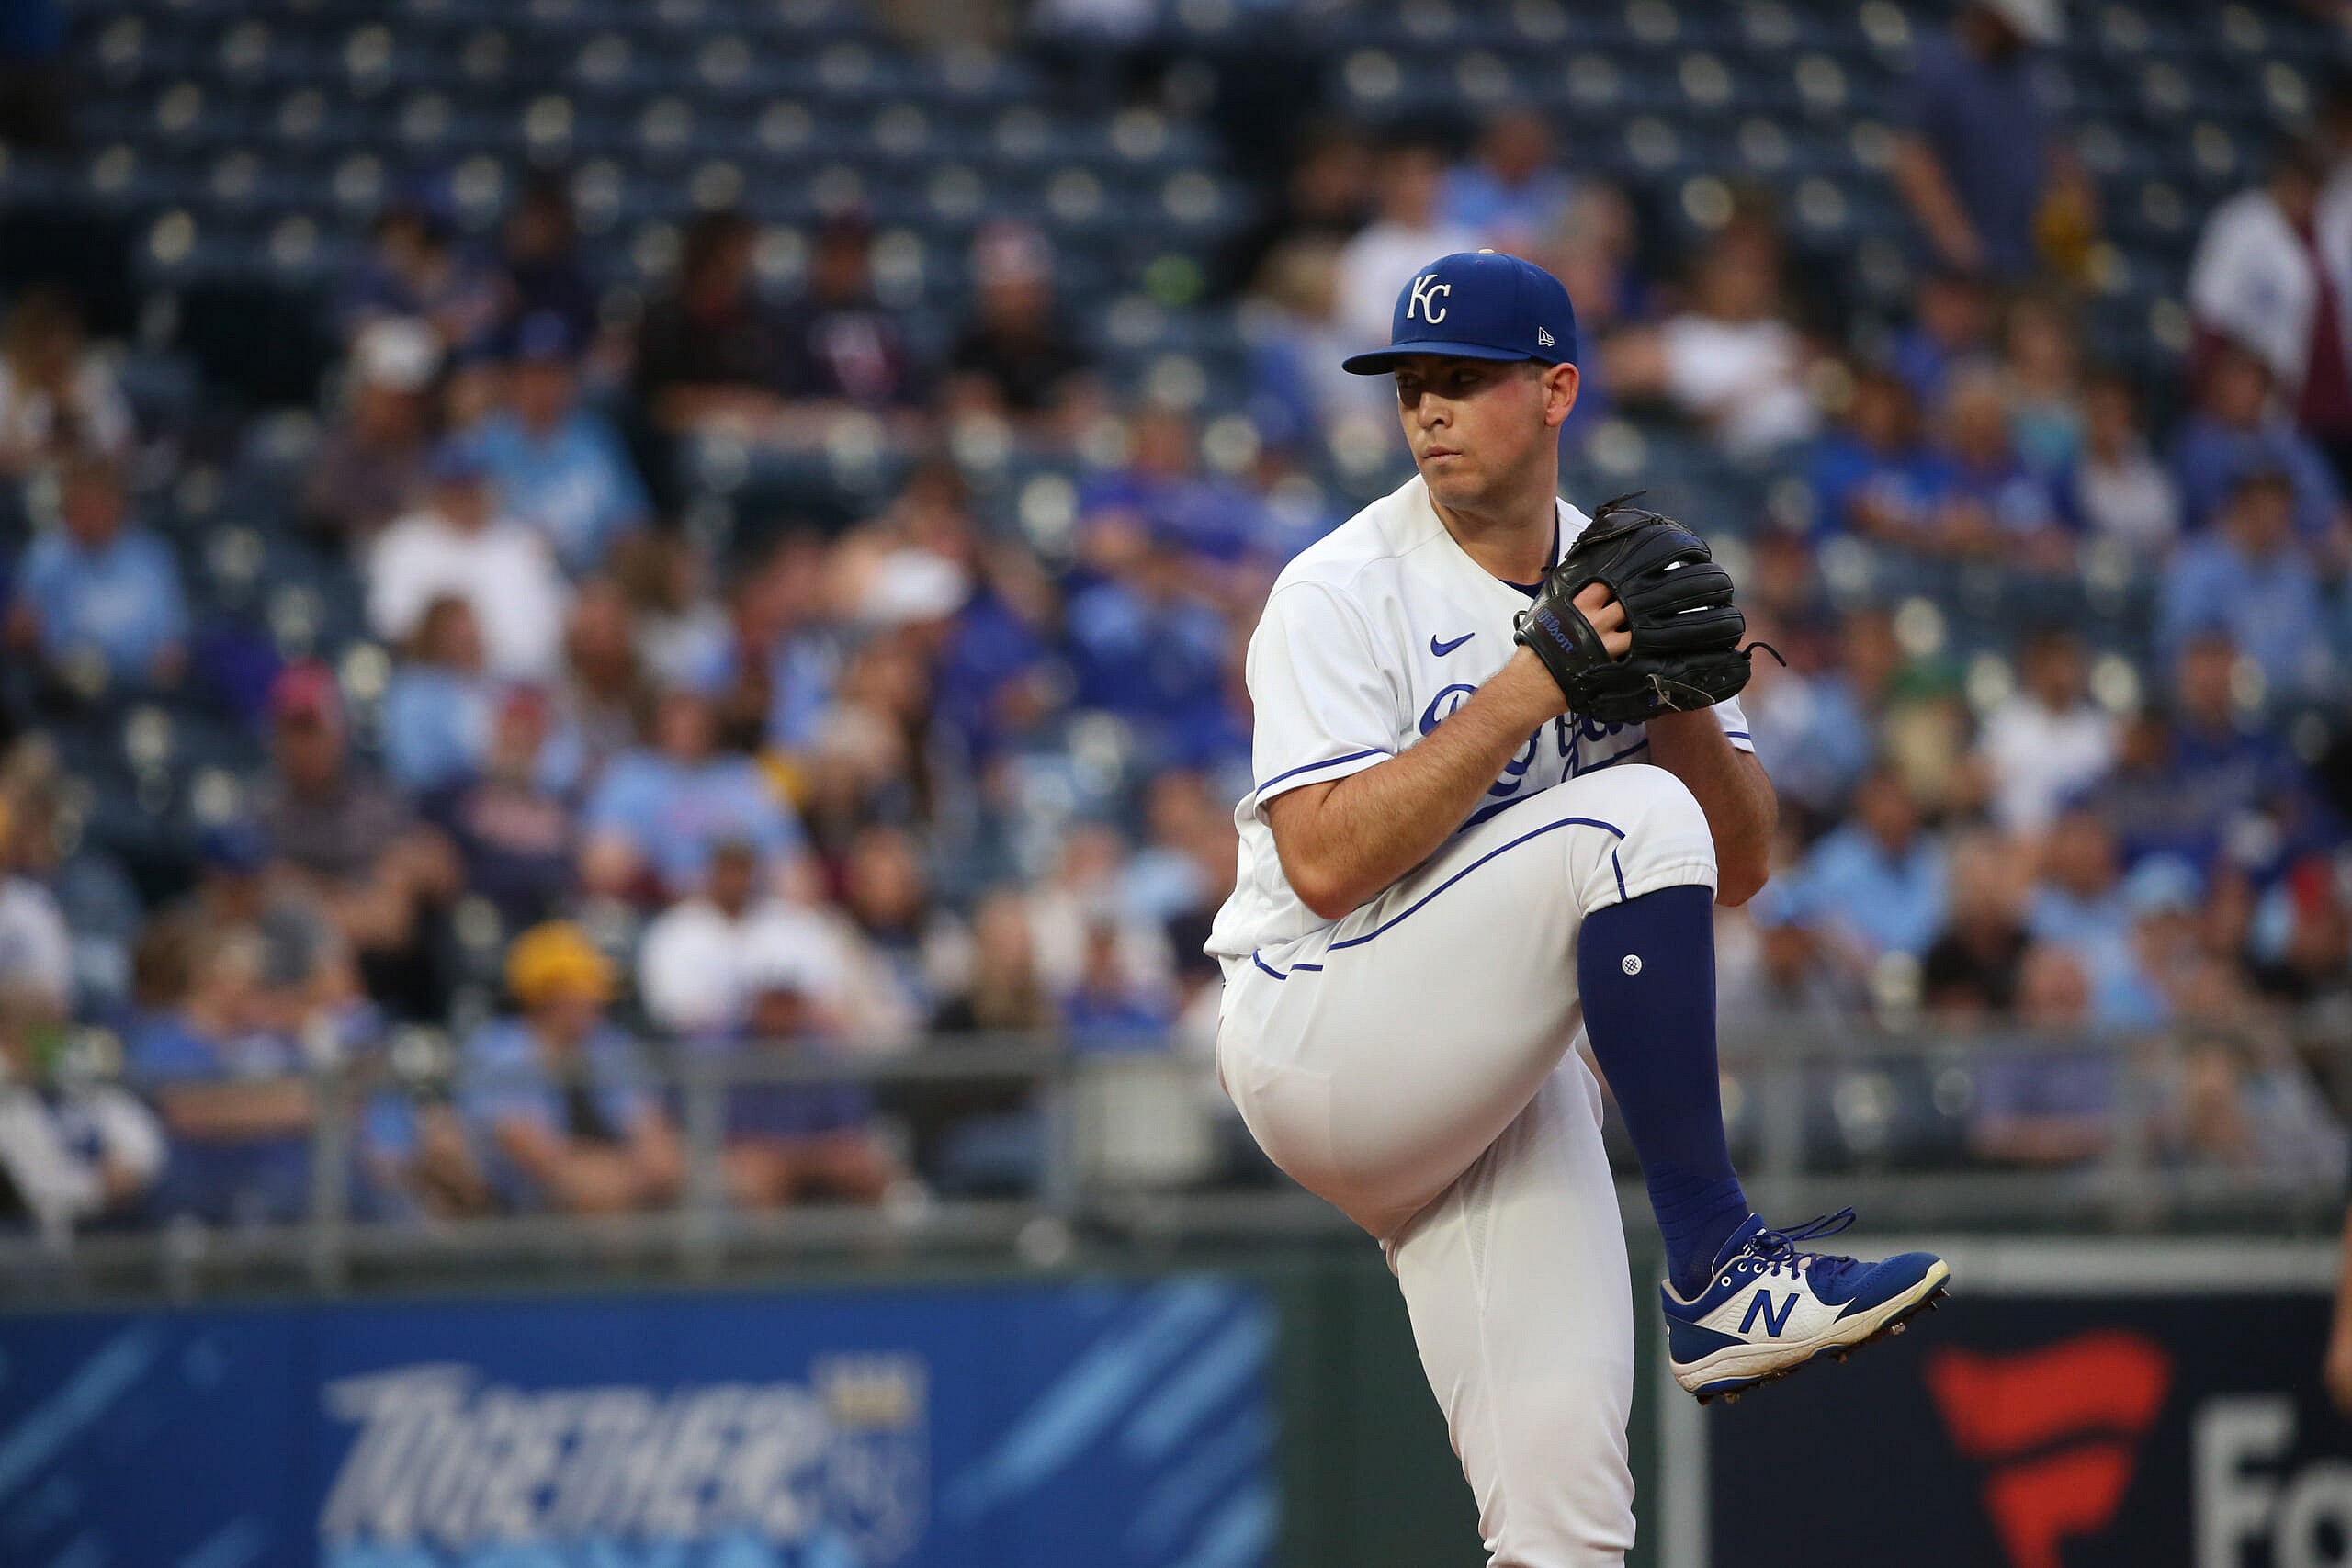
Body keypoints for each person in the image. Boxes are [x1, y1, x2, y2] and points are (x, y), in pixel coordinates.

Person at [1207, 250, 1946, 1560]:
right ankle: (1717, 1261)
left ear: (1555, 390)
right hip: (1321, 1031)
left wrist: (1681, 706)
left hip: (1487, 1067)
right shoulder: (1339, 587)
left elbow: (1739, 864)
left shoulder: (1624, 572)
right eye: (1411, 385)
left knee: (1571, 1522)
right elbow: (1319, 863)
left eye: (1464, 379)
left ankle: (1710, 1284)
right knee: (1627, 818)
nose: (1429, 409)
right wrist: (1525, 690)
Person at [458, 921, 681, 1213]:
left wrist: (643, 1169)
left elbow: (654, 1141)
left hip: (617, 1179)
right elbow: (540, 1158)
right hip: (523, 1207)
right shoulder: (497, 1052)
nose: (598, 1000)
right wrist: (619, 1177)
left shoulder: (607, 1043)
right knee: (599, 1197)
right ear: (547, 995)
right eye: (583, 988)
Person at [1890, 0, 2087, 282]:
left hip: (2024, 253)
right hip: (1957, 264)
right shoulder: (1939, 65)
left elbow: (2055, 147)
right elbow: (1914, 156)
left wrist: (2076, 203)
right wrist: (1952, 235)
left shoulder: (2028, 72)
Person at [367, 441, 570, 679]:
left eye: (472, 485)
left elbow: (564, 616)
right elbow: (393, 628)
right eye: (454, 487)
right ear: (433, 491)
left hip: (534, 683)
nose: (465, 496)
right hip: (440, 684)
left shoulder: (522, 541)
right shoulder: (402, 544)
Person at [469, 312, 651, 577]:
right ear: (513, 378)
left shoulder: (596, 439)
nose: (544, 385)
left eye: (555, 372)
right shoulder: (486, 444)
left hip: (592, 582)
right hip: (512, 580)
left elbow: (633, 523)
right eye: (534, 372)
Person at [5, 452, 187, 693]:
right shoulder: (47, 556)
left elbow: (172, 641)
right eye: (79, 506)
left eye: (95, 505)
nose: (87, 516)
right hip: (63, 688)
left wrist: (167, 666)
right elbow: (23, 631)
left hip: (138, 686)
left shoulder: (151, 555)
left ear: (116, 506)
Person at [2160, 467, 2335, 701]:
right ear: (2240, 508)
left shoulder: (2296, 570)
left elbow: (2315, 649)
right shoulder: (2197, 567)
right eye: (2264, 508)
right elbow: (2184, 652)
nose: (2275, 520)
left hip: (2292, 703)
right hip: (2224, 704)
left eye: (2283, 510)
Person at [300, 315, 439, 545]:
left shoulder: (441, 449)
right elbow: (322, 516)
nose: (398, 410)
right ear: (364, 394)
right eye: (389, 398)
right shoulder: (335, 451)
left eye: (409, 400)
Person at [0, 288, 132, 476]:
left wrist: (80, 436)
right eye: (48, 336)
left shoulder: (90, 376)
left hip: (81, 484)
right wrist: (43, 449)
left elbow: (122, 445)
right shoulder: (6, 376)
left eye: (66, 335)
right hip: (15, 487)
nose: (57, 347)